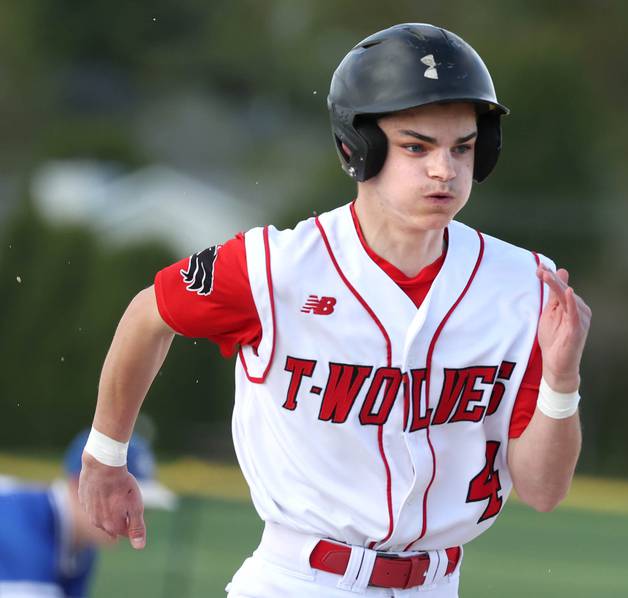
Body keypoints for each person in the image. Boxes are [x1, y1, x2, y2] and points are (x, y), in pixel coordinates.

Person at [78, 23, 591, 597]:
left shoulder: (522, 285)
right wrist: (105, 457)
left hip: (437, 584)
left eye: (462, 147)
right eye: (416, 147)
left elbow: (544, 491)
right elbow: (150, 315)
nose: (444, 169)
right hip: (300, 579)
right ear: (359, 147)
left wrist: (562, 377)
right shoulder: (276, 267)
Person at [0, 430, 175, 598]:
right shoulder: (19, 521)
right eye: (124, 508)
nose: (132, 523)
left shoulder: (81, 548)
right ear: (81, 485)